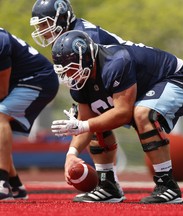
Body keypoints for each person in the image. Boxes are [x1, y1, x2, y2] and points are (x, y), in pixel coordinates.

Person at [50, 30, 183, 203]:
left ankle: (167, 185)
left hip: (177, 77)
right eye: (65, 72)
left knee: (142, 114)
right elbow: (86, 121)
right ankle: (108, 185)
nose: (70, 76)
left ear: (88, 58)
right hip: (143, 88)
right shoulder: (80, 80)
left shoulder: (115, 62)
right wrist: (71, 154)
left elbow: (122, 113)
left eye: (73, 69)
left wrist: (83, 126)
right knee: (96, 120)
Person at [30, 0, 133, 201]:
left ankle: (111, 182)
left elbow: (101, 69)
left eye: (45, 23)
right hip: (106, 83)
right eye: (39, 25)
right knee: (87, 122)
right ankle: (109, 182)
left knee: (88, 121)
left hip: (124, 81)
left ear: (62, 18)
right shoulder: (66, 38)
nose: (42, 30)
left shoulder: (84, 38)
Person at [0, 28, 59, 200]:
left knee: (0, 117)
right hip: (20, 82)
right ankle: (15, 186)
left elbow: (2, 91)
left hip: (39, 79)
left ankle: (2, 184)